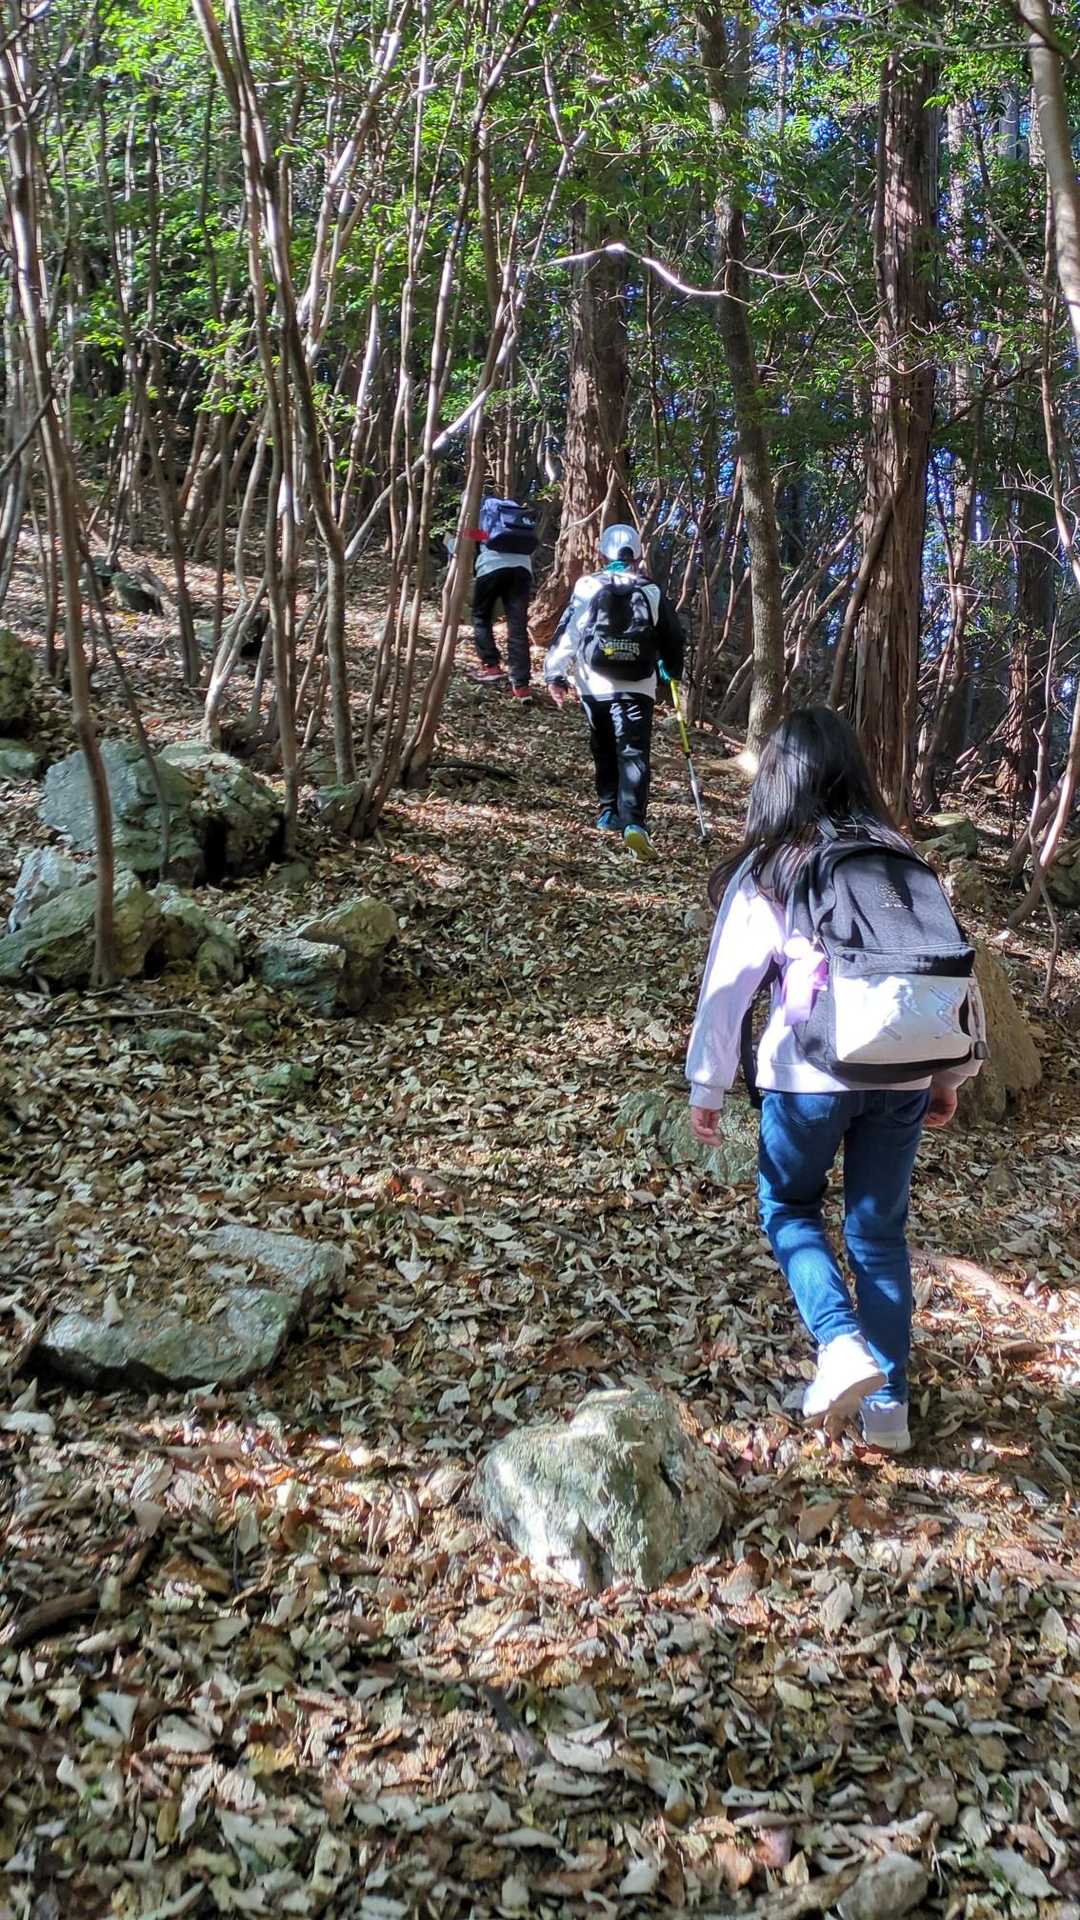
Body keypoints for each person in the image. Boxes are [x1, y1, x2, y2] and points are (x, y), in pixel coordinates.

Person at [685, 707, 987, 1454]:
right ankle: (889, 1411)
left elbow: (727, 986)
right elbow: (948, 971)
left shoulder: (774, 864)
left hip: (807, 1074)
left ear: (777, 780)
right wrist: (950, 1071)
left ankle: (839, 1340)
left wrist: (707, 1084)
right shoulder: (901, 856)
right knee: (878, 1236)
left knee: (789, 1207)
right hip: (903, 1073)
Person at [544, 523, 685, 861]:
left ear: (603, 553)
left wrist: (555, 673)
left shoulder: (588, 585)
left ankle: (608, 811)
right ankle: (633, 822)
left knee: (603, 746)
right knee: (633, 751)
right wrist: (671, 671)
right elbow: (673, 636)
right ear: (637, 554)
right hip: (638, 686)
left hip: (594, 685)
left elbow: (569, 631)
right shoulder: (650, 590)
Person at [462, 498, 537, 702]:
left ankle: (491, 666)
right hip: (522, 570)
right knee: (517, 627)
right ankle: (521, 686)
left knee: (481, 616)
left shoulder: (484, 512)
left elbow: (481, 536)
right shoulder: (513, 511)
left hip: (491, 567)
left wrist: (462, 534)